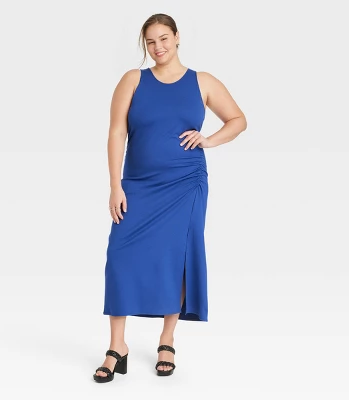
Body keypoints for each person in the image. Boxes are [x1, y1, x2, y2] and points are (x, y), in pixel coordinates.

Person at [93, 13, 247, 383]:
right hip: (138, 184)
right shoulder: (133, 80)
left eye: (164, 38)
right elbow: (116, 133)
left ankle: (167, 339)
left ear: (177, 37)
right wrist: (115, 185)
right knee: (120, 256)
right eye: (150, 42)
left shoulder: (202, 81)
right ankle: (117, 346)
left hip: (186, 183)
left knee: (176, 258)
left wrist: (208, 140)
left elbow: (238, 120)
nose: (158, 47)